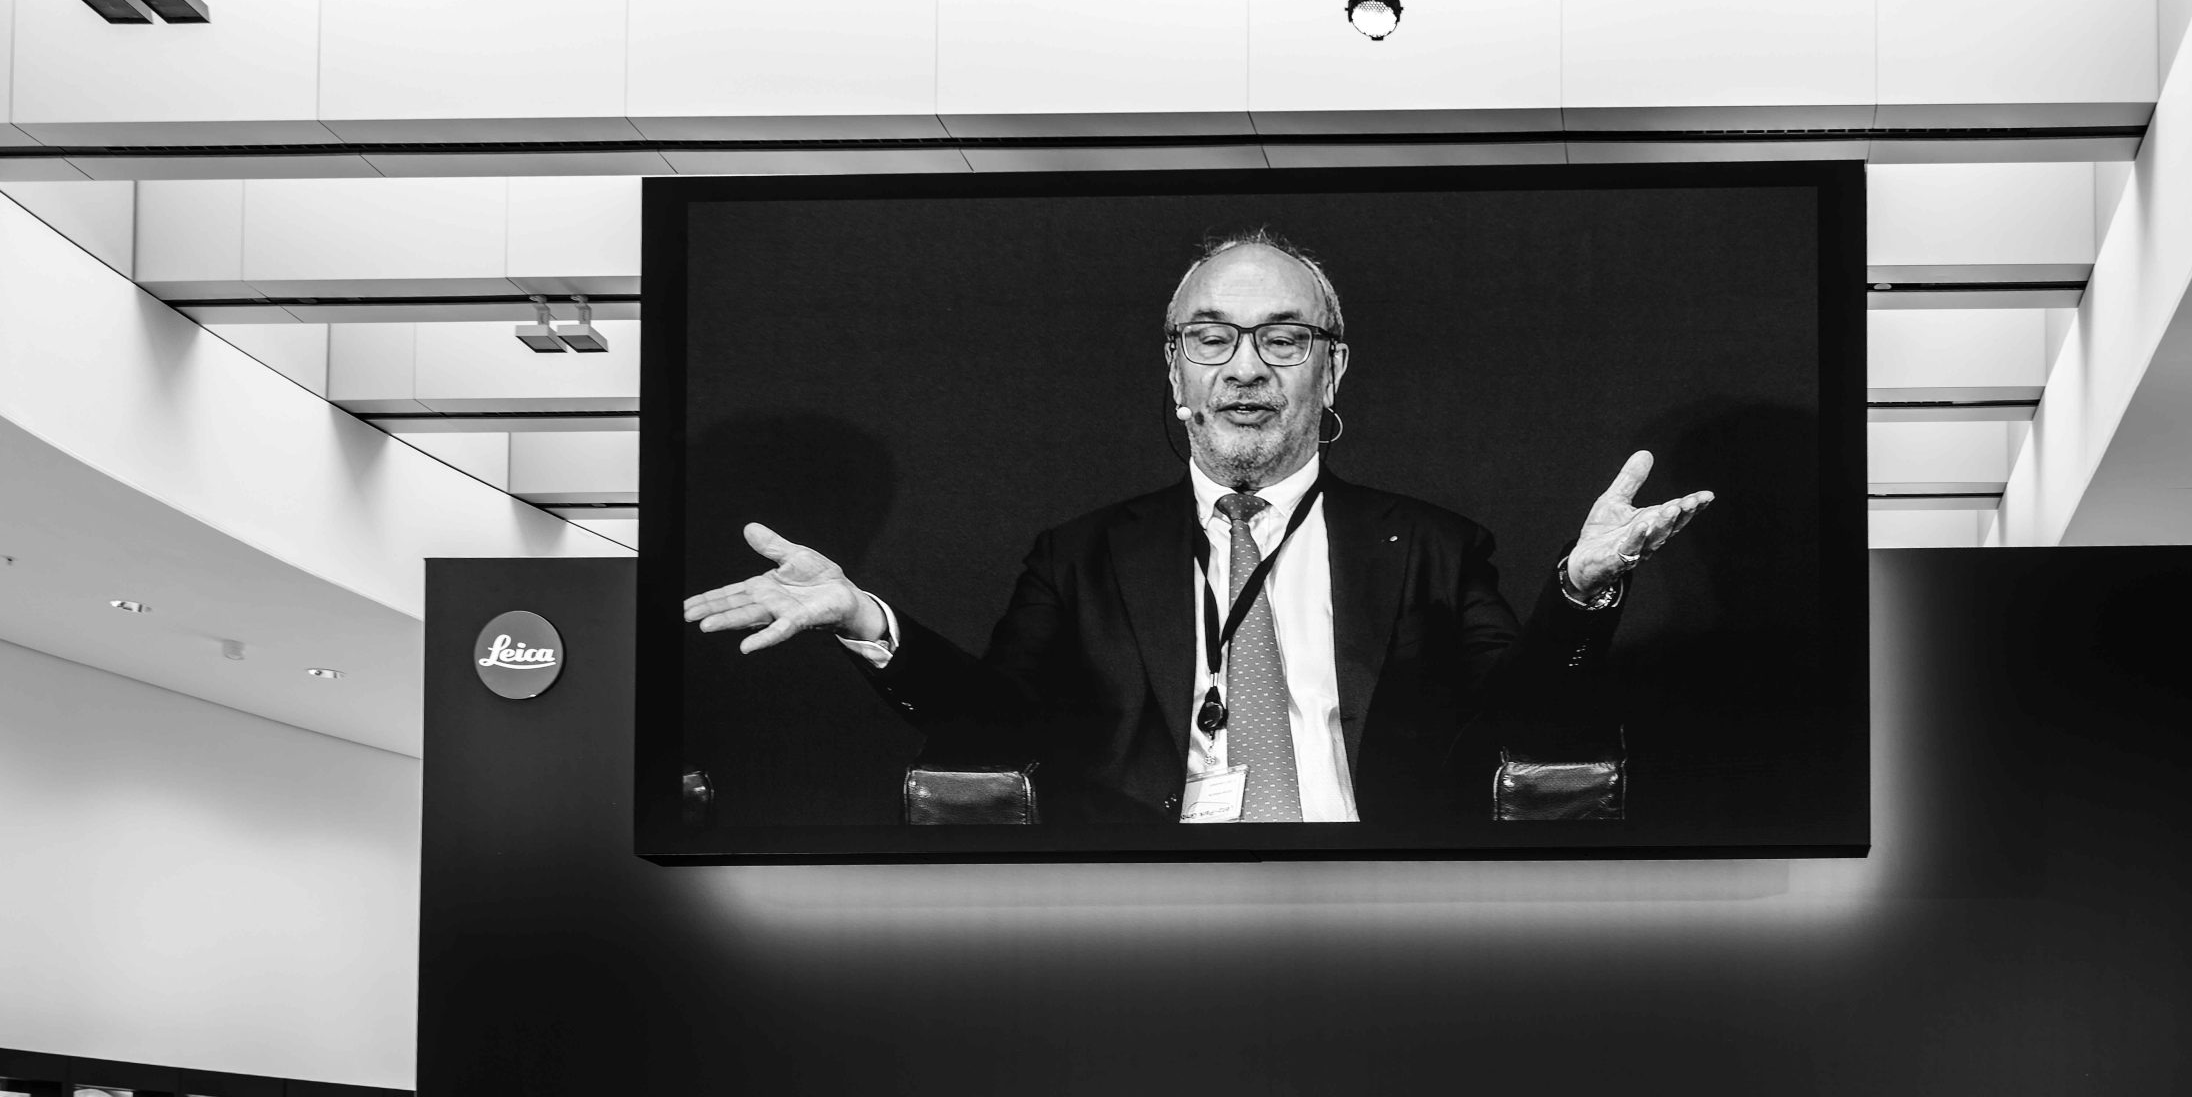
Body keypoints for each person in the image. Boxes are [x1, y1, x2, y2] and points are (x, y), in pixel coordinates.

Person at [682, 229, 1713, 825]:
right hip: (1149, 892)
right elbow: (997, 724)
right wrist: (867, 621)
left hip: (1381, 881)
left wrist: (1581, 592)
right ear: (1175, 372)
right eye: (1212, 339)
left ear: (1332, 370)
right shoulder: (1083, 555)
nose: (1246, 367)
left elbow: (1517, 725)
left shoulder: (1434, 548)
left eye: (1283, 339)